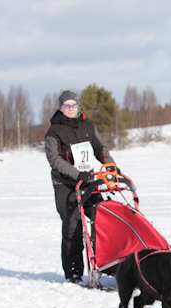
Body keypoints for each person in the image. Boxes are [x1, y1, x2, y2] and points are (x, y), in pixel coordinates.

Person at [45, 90, 117, 283]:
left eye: (73, 105)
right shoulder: (54, 132)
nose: (71, 109)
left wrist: (110, 166)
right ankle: (74, 272)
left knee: (102, 220)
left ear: (78, 107)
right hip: (66, 184)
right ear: (60, 108)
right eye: (67, 106)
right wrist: (77, 175)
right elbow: (55, 160)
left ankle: (110, 265)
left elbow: (99, 147)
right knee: (73, 226)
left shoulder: (87, 125)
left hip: (88, 182)